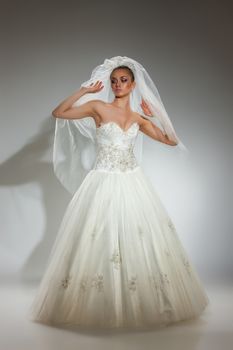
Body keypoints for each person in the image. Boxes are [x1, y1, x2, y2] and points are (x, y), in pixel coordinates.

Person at [28, 56, 209, 330]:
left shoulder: (138, 117)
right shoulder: (97, 107)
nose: (118, 85)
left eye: (123, 80)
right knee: (98, 238)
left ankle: (137, 301)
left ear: (134, 84)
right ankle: (99, 302)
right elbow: (60, 113)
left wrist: (155, 113)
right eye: (114, 81)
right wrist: (84, 91)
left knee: (137, 238)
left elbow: (170, 141)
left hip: (132, 181)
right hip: (102, 180)